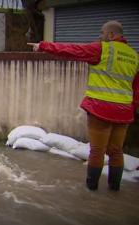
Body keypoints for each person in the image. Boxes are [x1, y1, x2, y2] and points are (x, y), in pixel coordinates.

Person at [29, 20, 139, 191]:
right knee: (116, 151)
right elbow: (136, 89)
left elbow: (73, 50)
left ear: (111, 35)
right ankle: (114, 189)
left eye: (102, 33)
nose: (100, 36)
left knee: (97, 151)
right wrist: (132, 109)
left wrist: (43, 46)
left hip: (100, 109)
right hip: (123, 111)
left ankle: (91, 189)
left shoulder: (103, 49)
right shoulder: (134, 56)